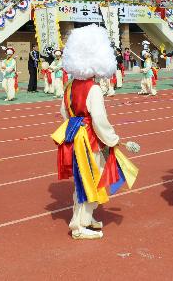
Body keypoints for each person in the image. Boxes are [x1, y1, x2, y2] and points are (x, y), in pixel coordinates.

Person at [51, 25, 138, 240]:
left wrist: (76, 126)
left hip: (73, 135)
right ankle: (79, 226)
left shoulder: (70, 86)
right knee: (91, 180)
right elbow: (99, 120)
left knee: (84, 180)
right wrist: (113, 140)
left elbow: (64, 111)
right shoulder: (94, 88)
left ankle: (86, 218)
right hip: (88, 139)